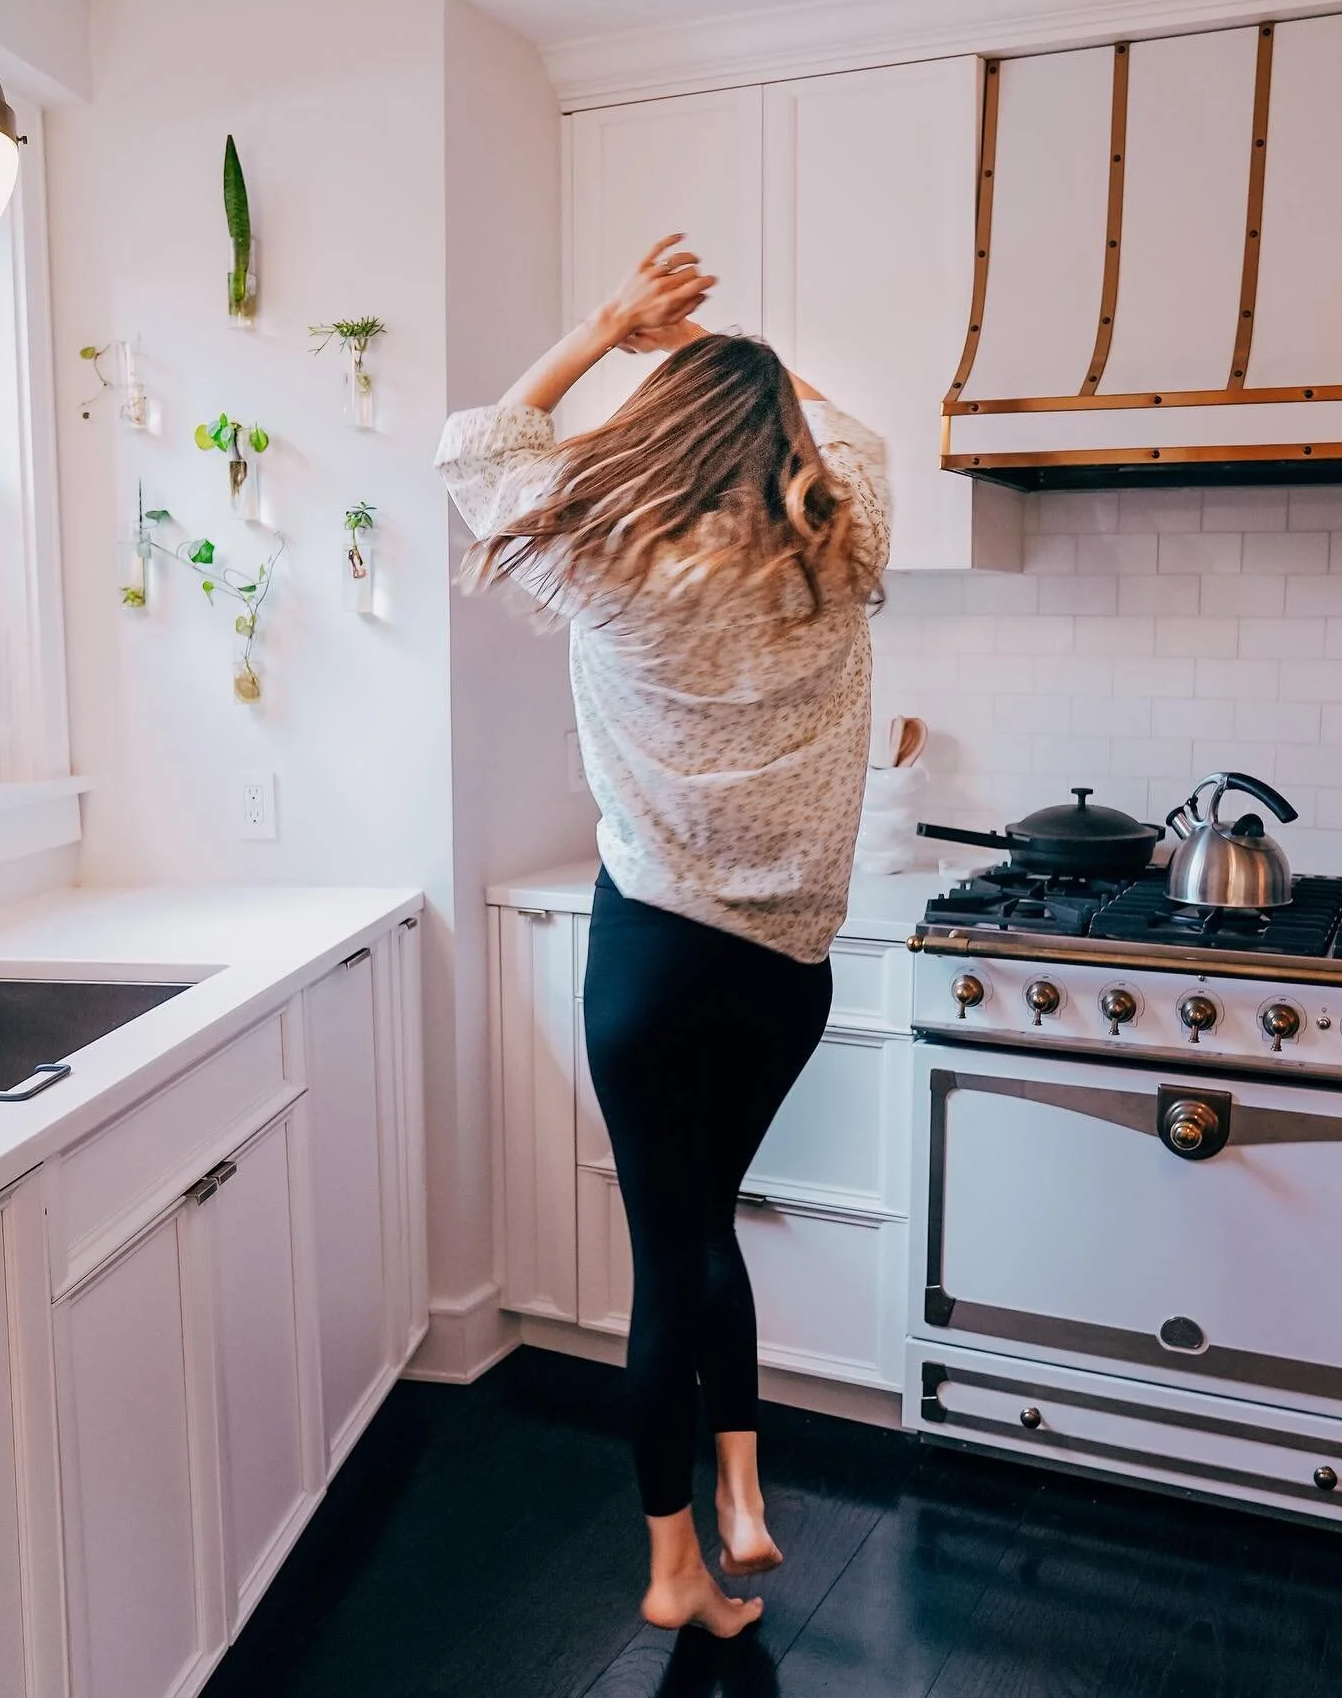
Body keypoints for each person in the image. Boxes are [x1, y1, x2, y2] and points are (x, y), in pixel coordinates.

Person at [435, 235, 889, 1638]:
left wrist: (617, 328)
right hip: (783, 977)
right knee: (708, 1227)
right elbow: (853, 429)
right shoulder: (847, 541)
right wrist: (746, 362)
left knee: (668, 1243)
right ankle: (745, 1485)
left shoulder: (600, 561)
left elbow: (476, 443)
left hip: (649, 964)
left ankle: (674, 1562)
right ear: (782, 437)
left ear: (661, 436)